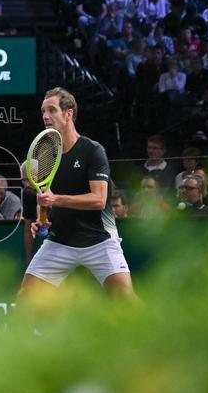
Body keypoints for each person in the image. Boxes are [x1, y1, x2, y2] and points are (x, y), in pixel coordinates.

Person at [19, 88, 137, 301]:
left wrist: (56, 199)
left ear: (69, 113)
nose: (45, 116)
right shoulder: (44, 157)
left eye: (52, 110)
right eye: (43, 111)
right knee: (25, 300)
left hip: (99, 240)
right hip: (60, 241)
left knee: (125, 298)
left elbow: (98, 200)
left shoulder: (93, 150)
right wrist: (42, 218)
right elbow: (46, 199)